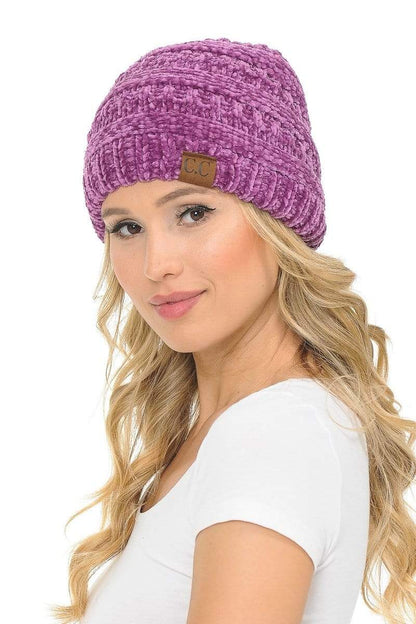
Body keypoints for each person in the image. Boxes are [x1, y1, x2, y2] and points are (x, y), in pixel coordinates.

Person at [51, 37, 416, 624]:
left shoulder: (272, 435)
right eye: (126, 228)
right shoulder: (233, 428)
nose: (156, 265)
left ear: (277, 222)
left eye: (193, 212)